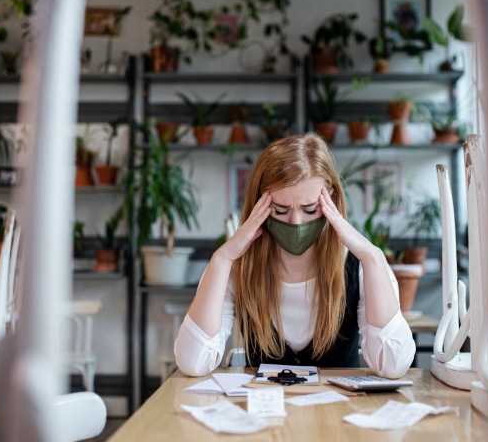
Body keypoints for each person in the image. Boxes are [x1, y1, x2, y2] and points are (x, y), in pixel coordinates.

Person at [174, 133, 415, 378]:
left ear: (330, 199)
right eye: (280, 210)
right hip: (264, 412)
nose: (296, 223)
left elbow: (393, 365)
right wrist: (222, 258)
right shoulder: (236, 267)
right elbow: (193, 363)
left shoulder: (361, 266)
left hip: (338, 413)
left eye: (310, 209)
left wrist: (372, 257)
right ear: (260, 206)